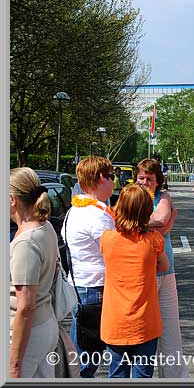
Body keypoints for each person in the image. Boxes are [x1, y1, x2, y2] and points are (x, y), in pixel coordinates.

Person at [100, 184, 169, 377]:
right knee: (143, 375)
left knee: (117, 374)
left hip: (115, 322)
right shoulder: (153, 239)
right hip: (145, 322)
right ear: (147, 211)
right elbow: (163, 267)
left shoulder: (107, 239)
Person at [62, 156, 115, 377]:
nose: (114, 181)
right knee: (87, 358)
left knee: (81, 351)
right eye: (112, 177)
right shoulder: (95, 215)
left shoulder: (77, 209)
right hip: (95, 288)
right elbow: (114, 252)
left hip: (82, 285)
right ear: (101, 178)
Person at [136, 158, 188, 378]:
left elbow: (162, 217)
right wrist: (161, 225)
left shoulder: (163, 197)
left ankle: (175, 378)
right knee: (144, 329)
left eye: (150, 178)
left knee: (170, 329)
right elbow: (160, 222)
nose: (145, 182)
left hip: (167, 270)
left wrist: (138, 222)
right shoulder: (132, 197)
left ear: (158, 181)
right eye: (141, 178)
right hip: (143, 271)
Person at [9, 167, 60, 378]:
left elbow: (25, 306)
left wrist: (13, 365)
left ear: (12, 199)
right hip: (45, 324)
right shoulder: (44, 227)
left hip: (25, 335)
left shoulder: (26, 242)